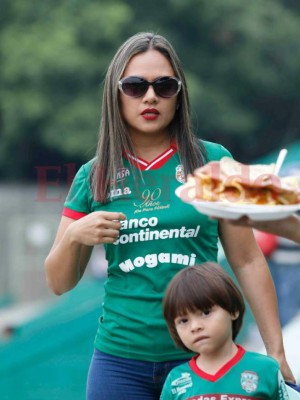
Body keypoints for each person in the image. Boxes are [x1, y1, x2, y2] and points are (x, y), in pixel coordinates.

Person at [44, 32, 294, 400]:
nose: (150, 96)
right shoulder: (94, 175)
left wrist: (275, 351)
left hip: (204, 360)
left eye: (164, 85)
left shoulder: (212, 162)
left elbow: (247, 260)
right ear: (116, 95)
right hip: (120, 362)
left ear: (179, 97)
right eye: (134, 86)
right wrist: (74, 236)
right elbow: (58, 282)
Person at [161, 262, 295, 400]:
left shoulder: (266, 369)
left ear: (233, 310)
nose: (195, 326)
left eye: (206, 312)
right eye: (183, 321)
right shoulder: (175, 381)